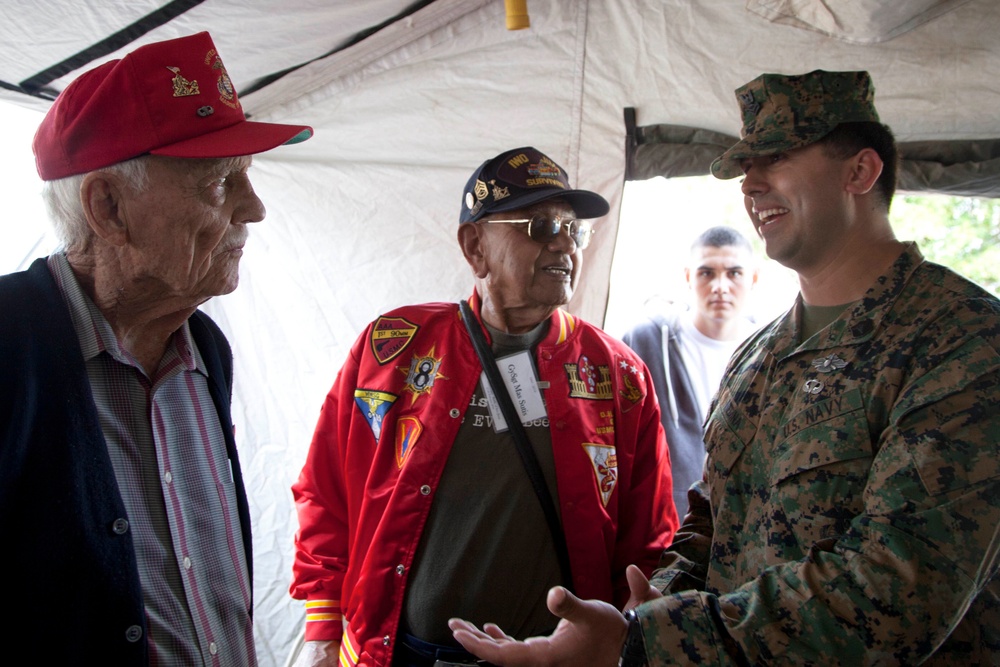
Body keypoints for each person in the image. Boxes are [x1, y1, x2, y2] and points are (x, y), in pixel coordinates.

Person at [448, 70, 1000, 665]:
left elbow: (900, 590)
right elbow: (710, 523)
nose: (751, 185)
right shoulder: (758, 357)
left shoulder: (961, 341)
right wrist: (649, 607)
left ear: (860, 173)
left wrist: (645, 642)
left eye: (777, 158)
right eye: (745, 170)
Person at [289, 146, 679, 667]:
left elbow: (650, 539)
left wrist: (632, 637)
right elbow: (326, 490)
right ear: (475, 246)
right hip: (397, 653)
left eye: (573, 229)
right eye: (540, 225)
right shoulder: (394, 346)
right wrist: (320, 630)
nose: (565, 243)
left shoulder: (619, 376)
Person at [0, 32, 312, 665]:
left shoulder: (205, 350)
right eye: (221, 183)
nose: (254, 209)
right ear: (108, 208)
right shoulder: (9, 342)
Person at [622, 226, 758, 518]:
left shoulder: (767, 351)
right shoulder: (645, 341)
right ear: (688, 277)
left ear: (753, 278)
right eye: (706, 273)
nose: (720, 286)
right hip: (662, 521)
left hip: (739, 523)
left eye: (734, 273)